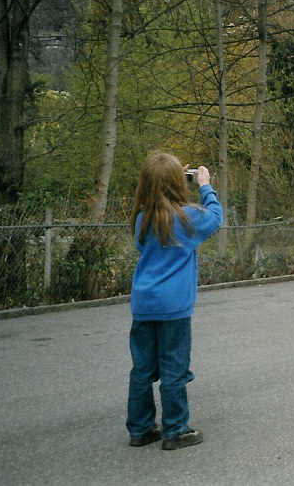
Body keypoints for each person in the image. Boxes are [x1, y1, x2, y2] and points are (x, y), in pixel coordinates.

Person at [126, 152, 222, 451]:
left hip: (143, 304)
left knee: (142, 369)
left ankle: (140, 430)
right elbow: (216, 217)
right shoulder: (186, 217)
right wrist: (204, 185)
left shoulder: (142, 218)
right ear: (177, 183)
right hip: (174, 308)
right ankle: (175, 430)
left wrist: (167, 175)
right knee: (173, 368)